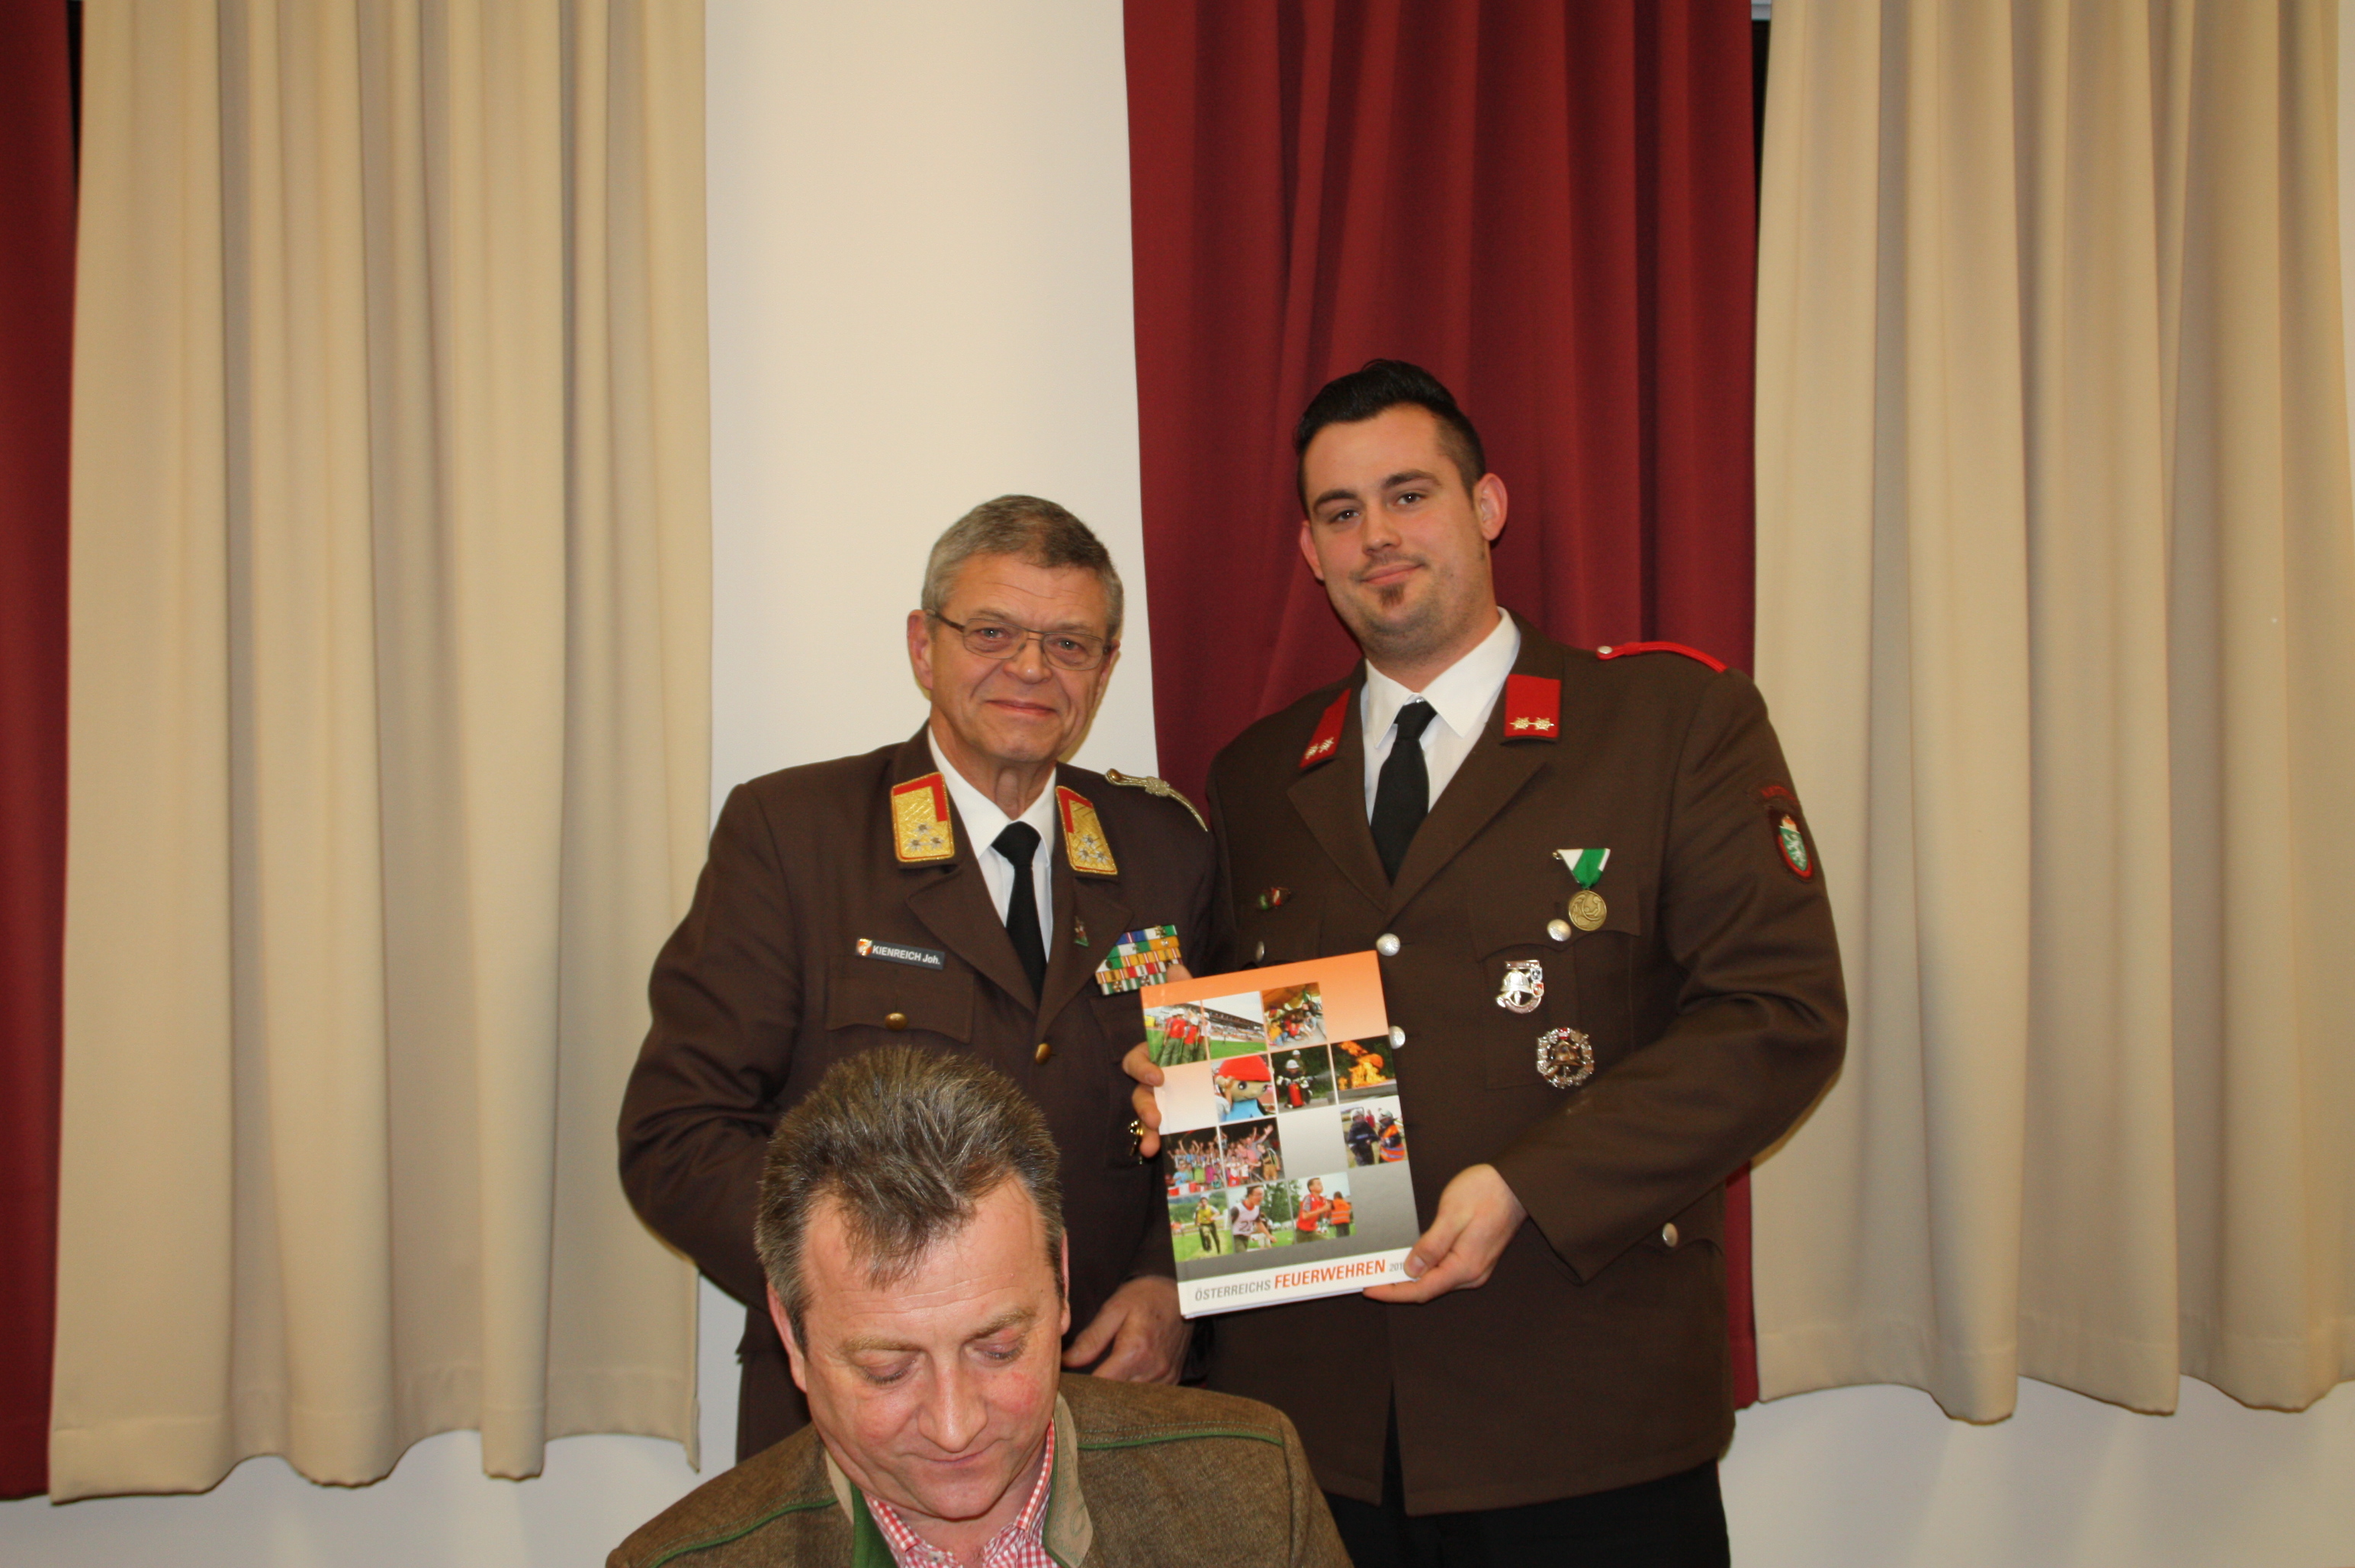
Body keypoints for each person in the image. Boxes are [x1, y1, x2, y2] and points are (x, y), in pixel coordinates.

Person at [1128, 361, 1845, 1564]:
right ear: (1310, 552)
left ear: (1488, 506)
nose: (1376, 535)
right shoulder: (1257, 774)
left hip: (1580, 1412)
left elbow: (1780, 1017)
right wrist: (1197, 1095)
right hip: (1320, 1425)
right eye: (1341, 512)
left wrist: (1528, 1184)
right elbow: (1274, 1071)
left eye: (1409, 494)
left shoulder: (1670, 723)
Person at [620, 496, 1229, 1461]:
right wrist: (867, 1298)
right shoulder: (796, 835)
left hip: (1110, 1405)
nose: (1030, 667)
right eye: (992, 632)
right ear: (922, 645)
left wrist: (1175, 1288)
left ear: (1107, 668)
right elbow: (677, 1134)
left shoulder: (1165, 849)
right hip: (865, 1406)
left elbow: (1223, 1109)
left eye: (1070, 644)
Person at [609, 1048, 1346, 1566]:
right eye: (887, 1370)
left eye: (997, 1350)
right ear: (792, 1336)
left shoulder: (1253, 1493)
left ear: (1060, 1285)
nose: (955, 1426)